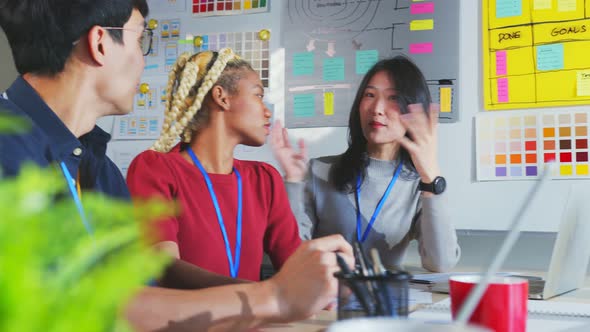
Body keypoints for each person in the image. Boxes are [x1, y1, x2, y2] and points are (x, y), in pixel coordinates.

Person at [0, 1, 354, 330]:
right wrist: (271, 296)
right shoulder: (10, 150)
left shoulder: (98, 169)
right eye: (141, 39)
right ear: (100, 44)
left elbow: (136, 296)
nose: (142, 60)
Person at [271, 56, 460, 273]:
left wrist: (431, 176)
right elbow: (292, 257)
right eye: (369, 95)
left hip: (386, 301)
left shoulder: (420, 184)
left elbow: (441, 263)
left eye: (393, 98)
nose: (377, 108)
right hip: (326, 301)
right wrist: (294, 181)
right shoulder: (319, 171)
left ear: (412, 110)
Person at [126, 49, 301, 281]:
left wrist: (331, 274)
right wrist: (256, 293)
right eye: (258, 96)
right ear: (222, 97)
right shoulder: (156, 169)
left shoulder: (265, 179)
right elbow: (164, 268)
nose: (267, 111)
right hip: (183, 317)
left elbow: (297, 267)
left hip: (251, 316)